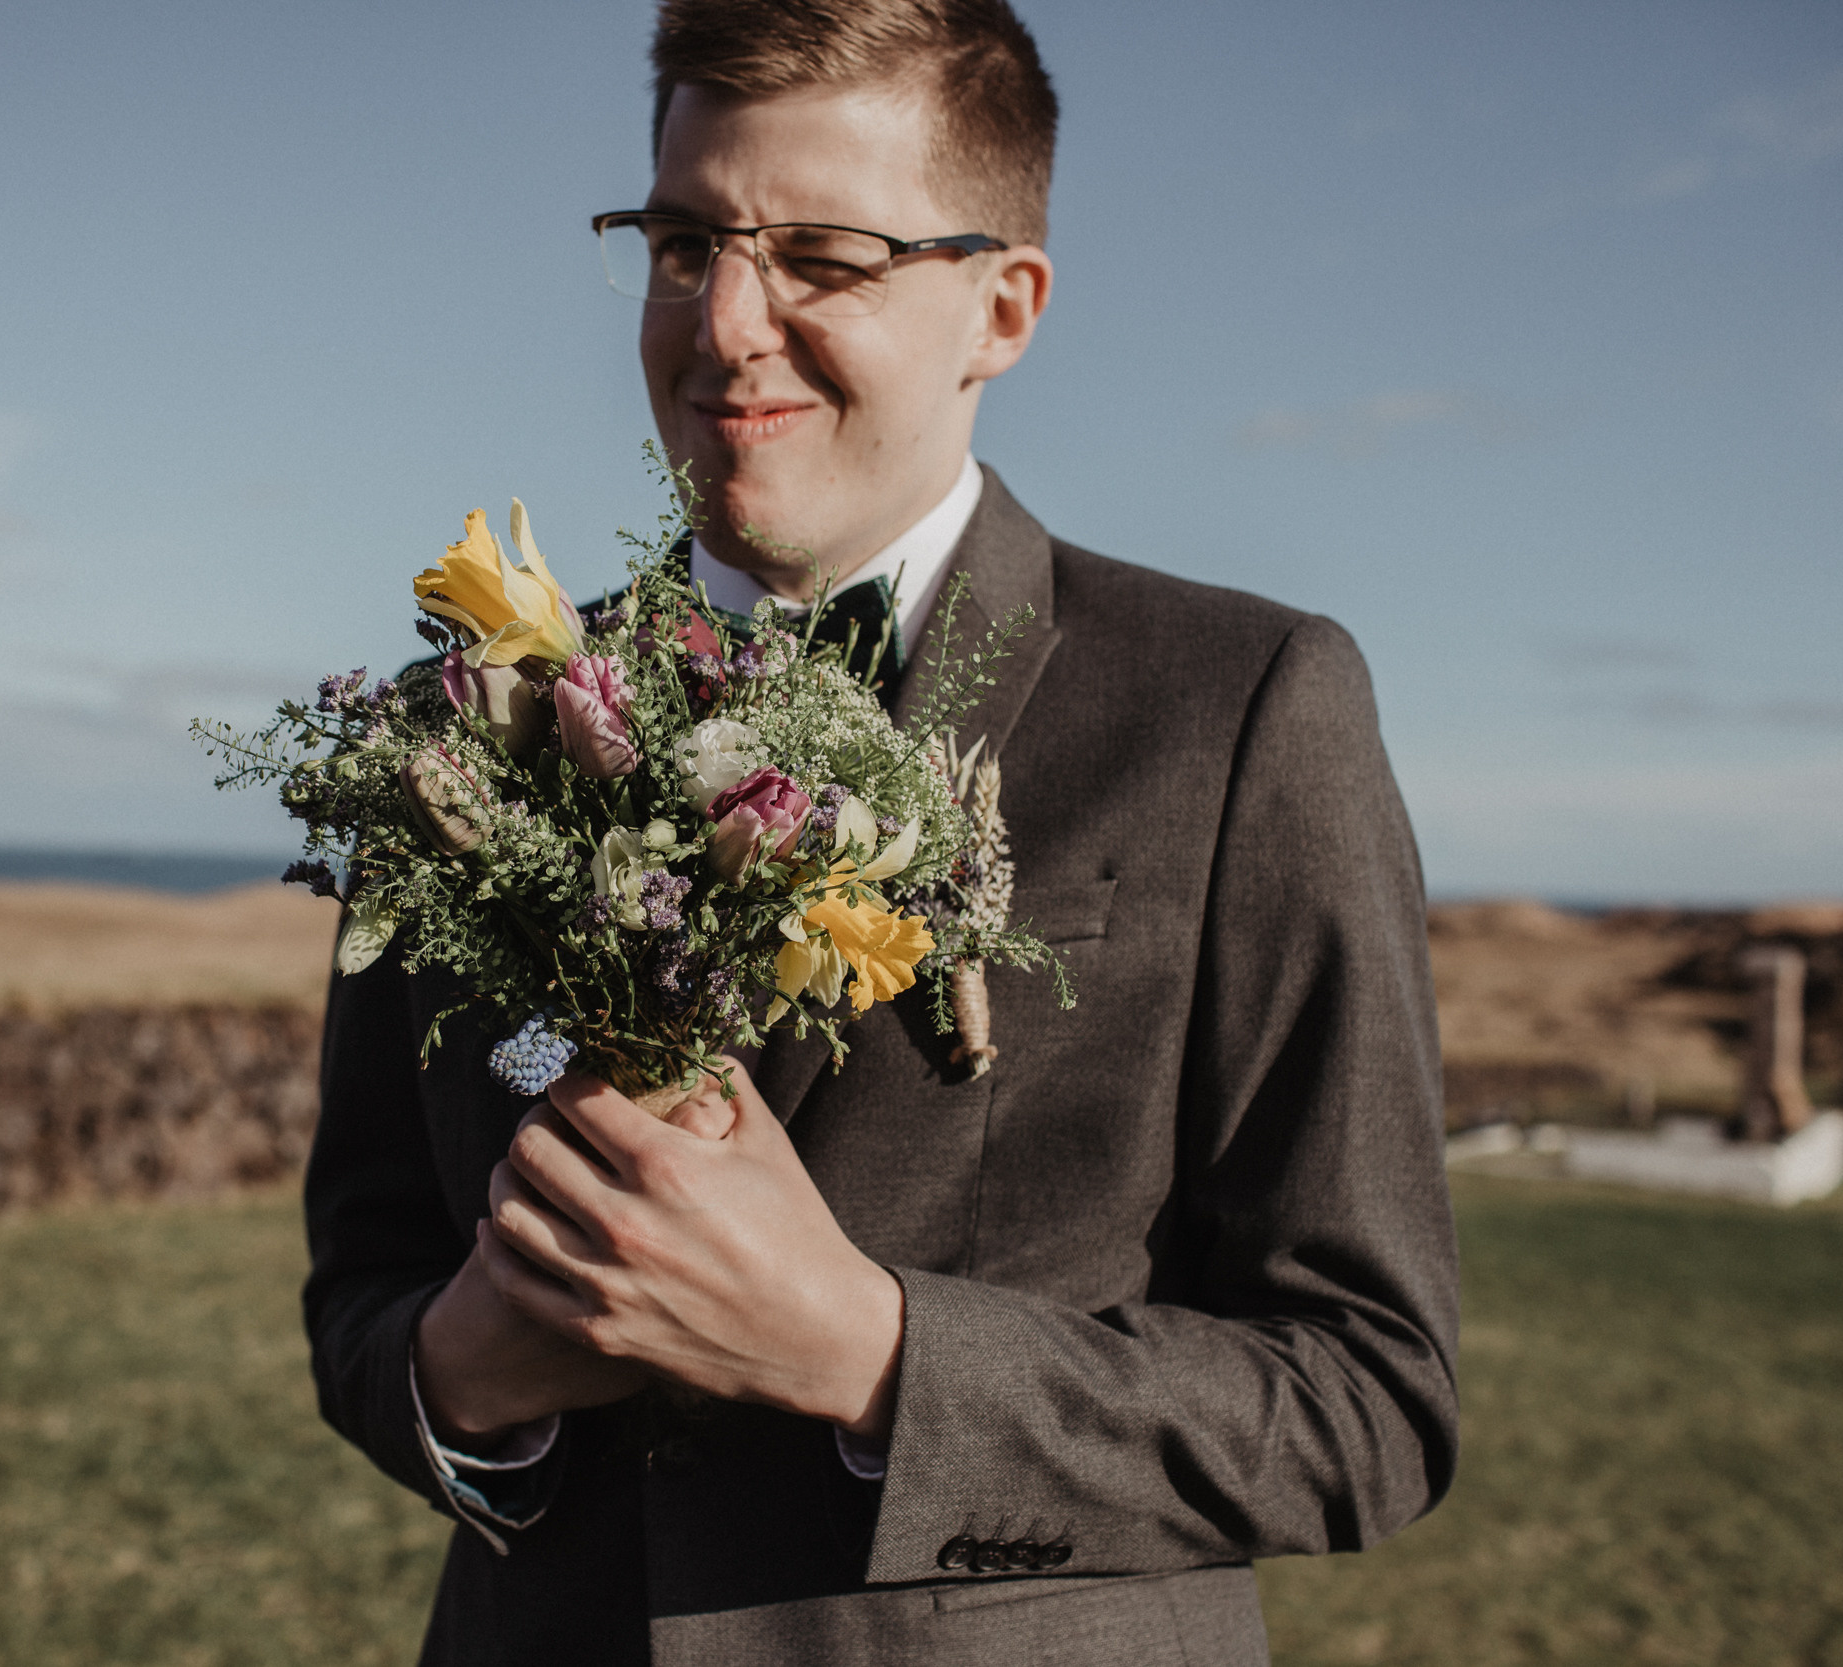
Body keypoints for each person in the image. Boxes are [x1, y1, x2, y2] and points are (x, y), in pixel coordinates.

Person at [305, 2, 1461, 1662]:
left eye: (822, 255)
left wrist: (868, 1346)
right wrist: (472, 1367)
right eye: (683, 241)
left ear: (1003, 306)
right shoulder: (455, 732)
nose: (725, 323)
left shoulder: (1246, 705)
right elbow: (366, 1286)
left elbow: (1368, 1398)